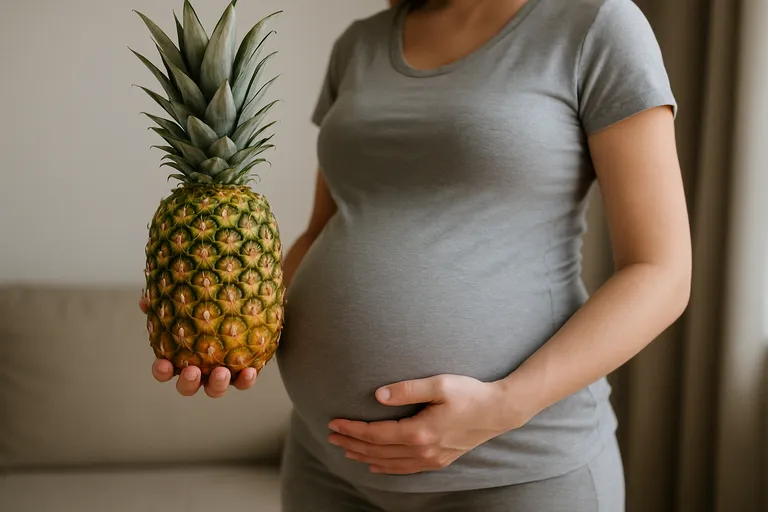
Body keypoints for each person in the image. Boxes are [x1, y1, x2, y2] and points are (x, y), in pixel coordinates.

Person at [141, 0, 691, 510]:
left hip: (515, 471)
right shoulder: (359, 44)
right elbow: (325, 228)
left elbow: (661, 272)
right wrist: (231, 318)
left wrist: (503, 406)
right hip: (325, 464)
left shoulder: (596, 23)